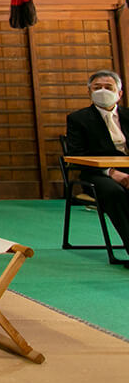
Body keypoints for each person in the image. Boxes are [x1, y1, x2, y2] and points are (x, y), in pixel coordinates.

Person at [66, 70, 129, 257]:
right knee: (115, 192)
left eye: (108, 87)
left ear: (119, 93)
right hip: (97, 174)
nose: (103, 91)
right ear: (89, 93)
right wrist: (111, 172)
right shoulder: (78, 119)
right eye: (97, 87)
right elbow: (76, 155)